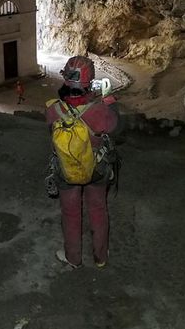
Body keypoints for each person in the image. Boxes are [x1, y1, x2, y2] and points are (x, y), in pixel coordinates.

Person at [45, 56, 118, 269]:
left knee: (70, 212)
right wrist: (109, 100)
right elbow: (116, 128)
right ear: (91, 80)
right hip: (96, 168)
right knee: (98, 209)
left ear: (66, 79)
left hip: (67, 168)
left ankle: (73, 258)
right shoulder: (100, 110)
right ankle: (100, 257)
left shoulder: (52, 109)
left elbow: (51, 133)